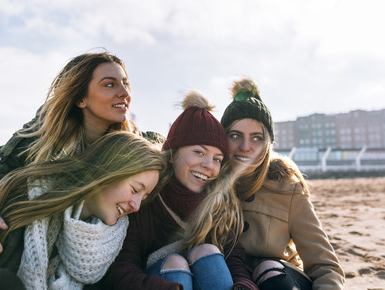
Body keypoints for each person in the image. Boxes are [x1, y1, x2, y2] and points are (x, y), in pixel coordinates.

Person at [0, 50, 164, 266]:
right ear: (80, 98)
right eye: (110, 84)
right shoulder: (37, 142)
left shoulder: (136, 152)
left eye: (125, 84)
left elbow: (172, 150)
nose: (124, 93)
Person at [0, 131, 168, 289]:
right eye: (134, 190)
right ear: (108, 172)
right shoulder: (28, 204)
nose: (136, 205)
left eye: (144, 197)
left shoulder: (108, 242)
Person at [100, 91, 258, 290]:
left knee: (207, 251)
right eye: (199, 152)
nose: (209, 165)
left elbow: (235, 262)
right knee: (175, 263)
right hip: (156, 282)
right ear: (173, 154)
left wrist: (244, 285)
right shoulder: (144, 199)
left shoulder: (220, 204)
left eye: (217, 159)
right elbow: (121, 270)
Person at [220, 77, 345, 290]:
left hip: (280, 282)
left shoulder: (287, 189)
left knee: (269, 268)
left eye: (257, 138)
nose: (245, 146)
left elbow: (326, 267)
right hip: (229, 281)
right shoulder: (206, 186)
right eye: (235, 135)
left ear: (268, 143)